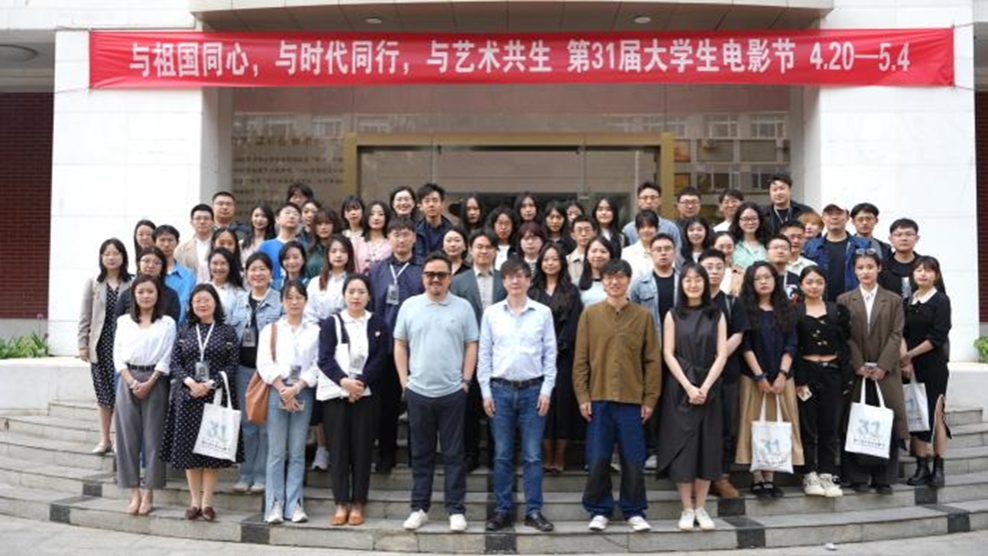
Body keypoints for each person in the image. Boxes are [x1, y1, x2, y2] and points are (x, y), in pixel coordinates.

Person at [573, 259, 661, 533]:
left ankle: (634, 510)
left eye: (620, 277)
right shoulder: (590, 315)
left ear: (628, 281)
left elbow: (652, 361)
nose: (614, 282)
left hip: (632, 399)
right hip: (598, 398)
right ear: (602, 281)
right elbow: (581, 360)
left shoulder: (642, 316)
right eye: (609, 277)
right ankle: (599, 509)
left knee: (633, 459)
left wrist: (649, 399)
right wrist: (582, 396)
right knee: (598, 457)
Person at [396, 252, 479, 533]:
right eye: (430, 274)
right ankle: (419, 508)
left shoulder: (463, 308)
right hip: (418, 391)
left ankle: (455, 509)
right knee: (421, 453)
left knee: (454, 453)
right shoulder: (409, 306)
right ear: (423, 277)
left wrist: (466, 380)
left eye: (441, 274)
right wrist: (404, 382)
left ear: (450, 277)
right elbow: (399, 344)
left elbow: (471, 344)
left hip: (452, 391)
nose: (435, 279)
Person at [478, 259, 558, 533]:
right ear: (503, 281)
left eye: (520, 276)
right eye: (510, 276)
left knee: (533, 455)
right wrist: (486, 391)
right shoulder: (491, 314)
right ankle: (503, 511)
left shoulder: (543, 313)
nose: (515, 281)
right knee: (502, 454)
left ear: (528, 280)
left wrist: (547, 389)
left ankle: (534, 511)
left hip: (533, 391)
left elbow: (550, 354)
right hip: (500, 391)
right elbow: (484, 354)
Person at [161, 284, 241, 522]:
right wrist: (190, 383)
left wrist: (210, 384)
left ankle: (208, 504)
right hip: (187, 397)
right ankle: (194, 502)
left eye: (206, 300)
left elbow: (232, 365)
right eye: (197, 301)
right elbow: (175, 362)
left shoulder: (227, 331)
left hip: (215, 396)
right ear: (191, 305)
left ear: (215, 302)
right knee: (189, 451)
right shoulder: (185, 330)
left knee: (211, 451)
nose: (202, 304)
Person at [657, 263, 728, 532]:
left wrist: (706, 387)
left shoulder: (716, 314)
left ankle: (701, 507)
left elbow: (722, 353)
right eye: (688, 280)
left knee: (708, 447)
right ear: (681, 284)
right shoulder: (673, 314)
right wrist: (688, 387)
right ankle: (687, 508)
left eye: (698, 279)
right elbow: (668, 353)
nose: (693, 284)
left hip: (710, 386)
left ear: (705, 283)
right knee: (684, 448)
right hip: (680, 387)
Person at [317, 274, 392, 526]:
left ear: (369, 296)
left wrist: (360, 383)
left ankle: (358, 502)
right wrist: (344, 382)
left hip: (366, 395)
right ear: (344, 295)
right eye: (351, 291)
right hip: (336, 396)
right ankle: (341, 502)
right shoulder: (332, 323)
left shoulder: (378, 323)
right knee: (338, 449)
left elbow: (380, 359)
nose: (356, 296)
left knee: (362, 449)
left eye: (361, 292)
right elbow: (324, 358)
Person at [837, 250, 906, 495]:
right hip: (857, 371)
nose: (865, 272)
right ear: (854, 271)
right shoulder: (845, 299)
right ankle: (856, 477)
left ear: (879, 268)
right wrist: (858, 364)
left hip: (886, 371)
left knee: (887, 420)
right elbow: (844, 335)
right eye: (860, 268)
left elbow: (896, 334)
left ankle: (883, 478)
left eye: (869, 267)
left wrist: (883, 365)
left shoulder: (894, 299)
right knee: (856, 420)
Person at [736, 261, 804, 500]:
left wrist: (782, 375)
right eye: (757, 278)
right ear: (750, 283)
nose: (763, 282)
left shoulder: (786, 309)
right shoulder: (744, 309)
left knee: (777, 425)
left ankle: (770, 477)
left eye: (767, 277)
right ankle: (757, 478)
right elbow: (745, 346)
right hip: (752, 378)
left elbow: (792, 344)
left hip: (782, 379)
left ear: (776, 280)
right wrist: (759, 376)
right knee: (754, 424)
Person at [256, 279, 319, 524]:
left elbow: (317, 364)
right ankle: (274, 504)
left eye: (299, 298)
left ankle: (295, 505)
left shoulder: (315, 331)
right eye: (289, 298)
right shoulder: (271, 329)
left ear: (306, 301)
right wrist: (283, 389)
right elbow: (264, 363)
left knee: (297, 451)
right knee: (275, 451)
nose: (294, 302)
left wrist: (298, 387)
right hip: (277, 390)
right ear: (282, 302)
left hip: (303, 391)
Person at [112, 274, 177, 516]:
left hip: (156, 381)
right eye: (140, 292)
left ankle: (149, 492)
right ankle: (134, 493)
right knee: (127, 439)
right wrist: (130, 381)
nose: (145, 296)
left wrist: (151, 381)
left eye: (150, 291)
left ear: (158, 295)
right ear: (134, 295)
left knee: (154, 439)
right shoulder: (123, 322)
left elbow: (167, 355)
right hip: (127, 379)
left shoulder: (167, 323)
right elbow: (117, 354)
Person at [368, 216, 424, 474]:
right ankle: (386, 454)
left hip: (417, 347)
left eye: (405, 234)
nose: (401, 239)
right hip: (384, 347)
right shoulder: (377, 270)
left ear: (413, 237)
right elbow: (370, 308)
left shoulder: (422, 269)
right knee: (386, 406)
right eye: (396, 235)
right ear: (388, 239)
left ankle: (417, 455)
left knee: (417, 405)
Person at [450, 228, 507, 473]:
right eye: (479, 247)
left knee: (498, 404)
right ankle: (470, 454)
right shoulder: (458, 281)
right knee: (469, 405)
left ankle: (497, 454)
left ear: (495, 251)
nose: (483, 251)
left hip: (500, 351)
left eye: (488, 247)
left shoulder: (504, 279)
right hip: (468, 351)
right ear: (470, 250)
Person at [794, 266, 851, 498]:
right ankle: (809, 473)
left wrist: (846, 377)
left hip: (832, 373)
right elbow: (793, 347)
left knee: (830, 426)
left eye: (819, 281)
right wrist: (798, 379)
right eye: (809, 282)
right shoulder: (795, 311)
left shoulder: (837, 311)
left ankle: (827, 473)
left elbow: (845, 344)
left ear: (825, 284)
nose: (814, 286)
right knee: (808, 427)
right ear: (801, 285)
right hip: (806, 373)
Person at [229, 252, 283, 493]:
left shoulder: (279, 301)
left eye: (262, 269)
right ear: (246, 273)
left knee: (266, 426)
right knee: (247, 425)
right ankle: (246, 474)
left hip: (269, 373)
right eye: (253, 269)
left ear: (271, 273)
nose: (258, 274)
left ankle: (262, 475)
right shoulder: (238, 301)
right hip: (243, 370)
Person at [698, 250, 749, 500]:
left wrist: (718, 357)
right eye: (709, 266)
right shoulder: (689, 300)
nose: (714, 272)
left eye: (719, 267)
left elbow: (738, 334)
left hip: (727, 374)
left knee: (726, 425)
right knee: (697, 425)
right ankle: (697, 476)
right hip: (695, 375)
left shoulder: (732, 302)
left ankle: (722, 476)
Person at [529, 243, 584, 475]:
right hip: (536, 358)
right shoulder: (532, 292)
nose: (550, 263)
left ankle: (559, 456)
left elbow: (574, 322)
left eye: (554, 259)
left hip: (564, 356)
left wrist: (559, 346)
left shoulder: (572, 291)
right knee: (542, 406)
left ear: (562, 263)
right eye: (546, 259)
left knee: (562, 406)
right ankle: (546, 455)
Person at [901, 256, 952, 488]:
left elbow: (937, 336)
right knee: (916, 415)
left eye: (929, 271)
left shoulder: (941, 300)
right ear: (913, 275)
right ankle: (921, 466)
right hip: (910, 367)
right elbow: (902, 333)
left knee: (936, 414)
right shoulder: (908, 301)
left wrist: (910, 355)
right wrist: (906, 361)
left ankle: (938, 467)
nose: (923, 274)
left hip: (933, 366)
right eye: (919, 270)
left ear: (936, 275)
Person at [78, 238, 133, 454]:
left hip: (124, 346)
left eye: (115, 253)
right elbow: (85, 315)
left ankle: (120, 440)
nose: (111, 257)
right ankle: (104, 440)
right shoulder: (94, 283)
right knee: (103, 395)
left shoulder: (132, 282)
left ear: (123, 257)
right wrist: (82, 344)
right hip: (100, 345)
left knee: (121, 395)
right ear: (101, 258)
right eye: (107, 254)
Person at [629, 233, 678, 470]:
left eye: (667, 248)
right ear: (651, 253)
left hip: (679, 352)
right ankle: (653, 450)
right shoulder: (640, 284)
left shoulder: (685, 280)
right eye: (658, 249)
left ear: (674, 252)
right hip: (651, 352)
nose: (663, 253)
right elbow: (633, 319)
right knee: (651, 401)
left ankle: (675, 449)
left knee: (675, 401)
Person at [803, 204, 872, 302]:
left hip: (854, 301)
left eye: (839, 213)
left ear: (847, 217)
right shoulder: (811, 246)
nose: (834, 217)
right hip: (820, 301)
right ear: (823, 218)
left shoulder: (863, 244)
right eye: (830, 214)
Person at [115, 247, 181, 322]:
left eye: (156, 262)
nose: (151, 266)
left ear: (162, 268)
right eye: (146, 261)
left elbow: (173, 323)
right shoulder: (126, 294)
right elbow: (117, 323)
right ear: (138, 264)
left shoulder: (171, 295)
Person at [304, 234, 353, 325]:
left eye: (343, 251)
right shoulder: (315, 283)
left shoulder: (355, 282)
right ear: (327, 254)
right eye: (333, 251)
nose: (338, 255)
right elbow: (309, 313)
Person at [879, 218, 931, 299]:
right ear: (890, 239)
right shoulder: (881, 266)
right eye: (898, 235)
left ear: (917, 238)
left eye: (909, 234)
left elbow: (938, 295)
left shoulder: (927, 265)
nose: (904, 238)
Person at [155, 224, 196, 323]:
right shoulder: (149, 273)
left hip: (181, 328)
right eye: (162, 240)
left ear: (177, 243)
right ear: (154, 242)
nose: (166, 244)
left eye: (170, 240)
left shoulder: (188, 275)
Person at [623, 181, 681, 249]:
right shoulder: (628, 229)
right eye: (645, 198)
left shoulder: (670, 228)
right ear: (638, 201)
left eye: (653, 198)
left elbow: (677, 251)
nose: (649, 202)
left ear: (659, 201)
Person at [257, 203, 302, 287]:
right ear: (277, 219)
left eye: (295, 214)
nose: (291, 216)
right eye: (287, 213)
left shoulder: (304, 246)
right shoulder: (266, 246)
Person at [414, 183, 454, 264]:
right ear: (420, 206)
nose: (431, 204)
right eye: (427, 201)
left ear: (442, 204)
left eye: (435, 200)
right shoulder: (414, 232)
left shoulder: (452, 231)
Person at [175, 204, 215, 284]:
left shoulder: (219, 245)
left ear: (213, 223)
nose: (202, 222)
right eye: (198, 218)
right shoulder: (181, 249)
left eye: (206, 218)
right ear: (191, 223)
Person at [352, 201, 392, 274]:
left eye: (381, 214)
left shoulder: (392, 242)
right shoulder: (357, 243)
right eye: (371, 214)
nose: (376, 218)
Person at [305, 207, 345, 279]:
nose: (323, 227)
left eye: (327, 223)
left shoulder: (344, 247)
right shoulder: (308, 250)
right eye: (319, 224)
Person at [729, 202, 770, 271]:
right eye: (745, 219)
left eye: (754, 218)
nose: (750, 222)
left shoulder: (769, 243)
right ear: (738, 221)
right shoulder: (732, 244)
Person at [621, 210, 659, 280]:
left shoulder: (664, 251)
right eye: (642, 227)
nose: (646, 230)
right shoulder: (626, 253)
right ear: (637, 230)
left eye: (650, 226)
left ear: (657, 228)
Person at [578, 237, 615, 308]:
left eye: (603, 251)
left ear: (610, 256)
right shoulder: (577, 284)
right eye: (594, 251)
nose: (598, 255)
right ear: (587, 256)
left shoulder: (617, 283)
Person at [207, 248, 244, 315]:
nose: (219, 267)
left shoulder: (238, 293)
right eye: (215, 263)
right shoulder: (202, 288)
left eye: (223, 263)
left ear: (230, 266)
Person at [766, 235, 801, 300]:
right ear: (766, 253)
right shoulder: (760, 278)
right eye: (775, 248)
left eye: (784, 248)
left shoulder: (795, 279)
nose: (780, 251)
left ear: (790, 254)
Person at [566, 215, 597, 285]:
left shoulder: (602, 258)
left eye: (587, 230)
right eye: (579, 230)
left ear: (595, 233)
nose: (583, 234)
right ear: (573, 235)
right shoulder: (566, 261)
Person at [487, 207, 518, 271]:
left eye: (507, 223)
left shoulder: (517, 248)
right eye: (500, 223)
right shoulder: (487, 246)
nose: (503, 227)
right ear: (493, 225)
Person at [713, 231, 743, 296]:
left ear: (734, 248)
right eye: (721, 247)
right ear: (712, 247)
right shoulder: (704, 270)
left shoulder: (741, 272)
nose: (725, 251)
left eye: (729, 247)